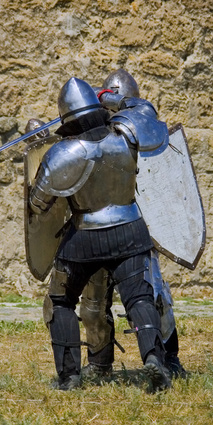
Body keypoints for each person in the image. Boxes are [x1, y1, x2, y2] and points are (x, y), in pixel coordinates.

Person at [29, 76, 172, 391]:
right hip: (131, 231)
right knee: (140, 297)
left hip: (84, 239)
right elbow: (145, 112)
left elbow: (38, 203)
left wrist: (37, 150)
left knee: (61, 300)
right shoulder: (126, 136)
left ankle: (68, 377)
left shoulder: (63, 154)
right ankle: (154, 362)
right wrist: (114, 101)